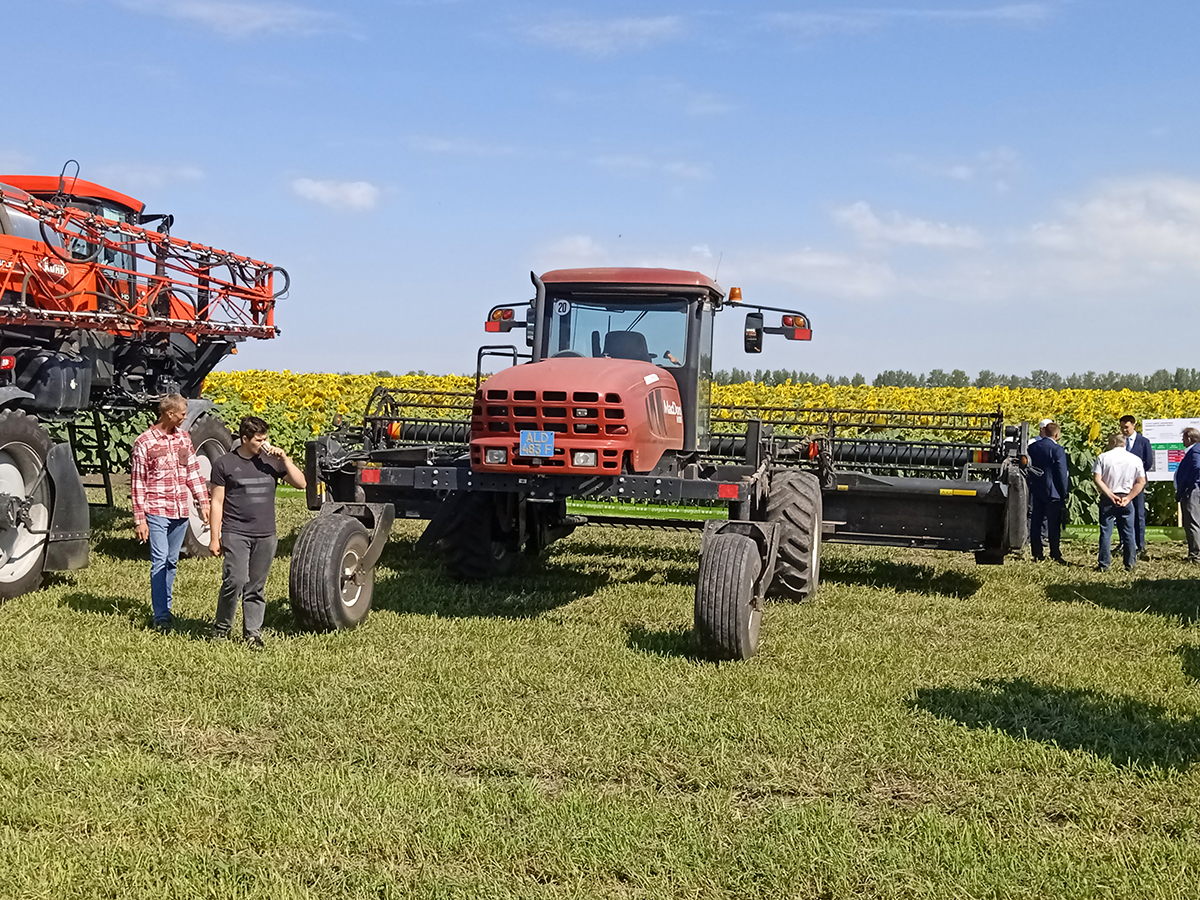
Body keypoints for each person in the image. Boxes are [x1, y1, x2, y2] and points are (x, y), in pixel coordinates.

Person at [208, 416, 306, 649]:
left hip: (266, 534)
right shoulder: (224, 464)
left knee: (256, 586)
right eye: (259, 439)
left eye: (266, 438)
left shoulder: (271, 461)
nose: (264, 443)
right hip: (236, 531)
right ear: (244, 439)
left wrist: (286, 459)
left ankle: (252, 633)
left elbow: (301, 484)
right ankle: (222, 629)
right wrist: (214, 537)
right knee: (235, 580)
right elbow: (217, 502)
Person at [131, 393, 210, 632]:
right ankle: (161, 616)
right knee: (159, 561)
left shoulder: (184, 439)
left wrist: (203, 502)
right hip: (156, 511)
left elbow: (193, 473)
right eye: (182, 414)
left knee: (172, 562)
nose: (185, 418)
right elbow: (138, 482)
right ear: (169, 413)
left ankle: (166, 606)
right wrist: (139, 519)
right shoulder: (144, 442)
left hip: (180, 512)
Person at [1092, 432, 1147, 572]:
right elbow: (1141, 482)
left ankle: (1104, 565)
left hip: (1108, 498)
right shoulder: (1135, 459)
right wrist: (1129, 498)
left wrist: (1110, 494)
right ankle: (1130, 564)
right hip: (1126, 498)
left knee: (1106, 532)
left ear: (1112, 443)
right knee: (1129, 532)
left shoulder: (1103, 457)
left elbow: (1097, 479)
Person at [1027, 421, 1069, 563]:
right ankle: (1055, 553)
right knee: (1053, 524)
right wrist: (1064, 492)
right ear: (1057, 434)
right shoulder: (1058, 450)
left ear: (1044, 432)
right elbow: (1061, 472)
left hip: (1036, 489)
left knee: (1036, 521)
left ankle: (1037, 553)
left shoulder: (1032, 447)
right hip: (1053, 492)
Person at [1119, 415, 1154, 560]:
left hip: (1137, 484)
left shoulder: (1143, 442)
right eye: (1121, 427)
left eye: (1126, 427)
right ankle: (1124, 543)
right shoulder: (1119, 442)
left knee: (1139, 514)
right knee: (1122, 513)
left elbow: (1149, 462)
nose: (1124, 430)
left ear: (1134, 425)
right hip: (1122, 483)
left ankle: (1140, 545)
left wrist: (1137, 476)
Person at [1174, 427, 1200, 563]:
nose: (1182, 441)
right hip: (1194, 489)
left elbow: (1197, 468)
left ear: (1189, 439)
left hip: (1193, 492)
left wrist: (1192, 485)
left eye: (1183, 438)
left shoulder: (1195, 451)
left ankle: (1196, 556)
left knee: (1193, 523)